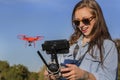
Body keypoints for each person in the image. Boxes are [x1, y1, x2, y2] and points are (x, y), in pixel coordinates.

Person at [44, 0, 118, 80]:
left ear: (97, 18)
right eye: (77, 22)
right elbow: (58, 71)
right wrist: (53, 75)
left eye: (85, 20)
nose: (81, 25)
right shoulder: (70, 44)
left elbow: (110, 77)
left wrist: (85, 75)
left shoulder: (108, 46)